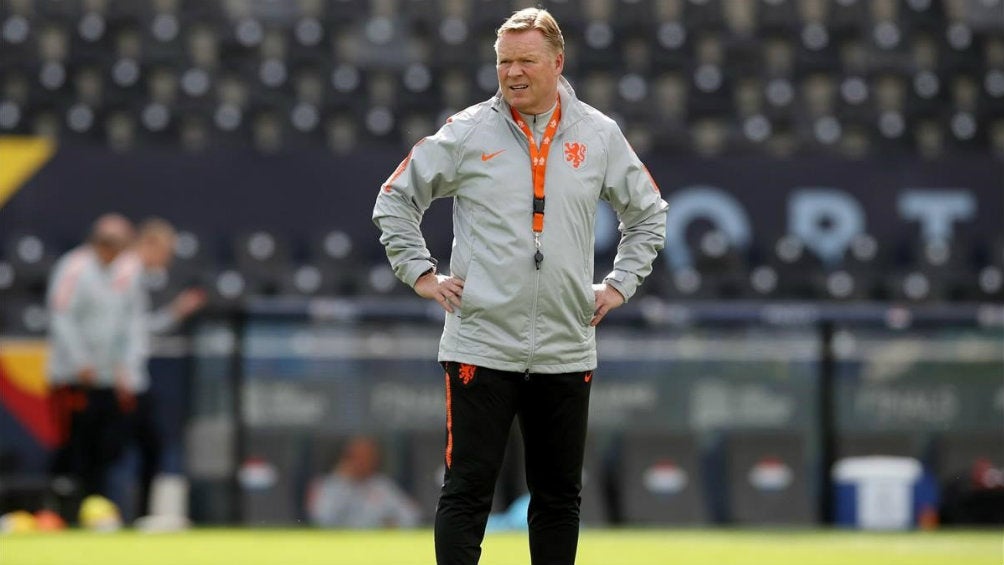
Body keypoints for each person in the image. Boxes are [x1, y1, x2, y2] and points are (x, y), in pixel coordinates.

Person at [372, 8, 668, 565]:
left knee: (558, 497)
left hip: (565, 345)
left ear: (558, 62)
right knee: (467, 492)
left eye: (526, 60)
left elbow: (649, 213)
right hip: (480, 343)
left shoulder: (599, 135)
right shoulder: (467, 131)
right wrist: (421, 273)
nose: (512, 73)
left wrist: (620, 284)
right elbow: (394, 198)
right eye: (504, 61)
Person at [46, 213, 144, 519]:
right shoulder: (73, 267)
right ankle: (62, 512)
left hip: (110, 379)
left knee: (106, 448)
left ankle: (97, 510)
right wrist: (80, 362)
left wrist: (128, 369)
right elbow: (61, 316)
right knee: (72, 445)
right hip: (73, 377)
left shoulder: (129, 269)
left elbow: (133, 323)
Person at [116, 218, 206, 523]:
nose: (167, 259)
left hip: (132, 372)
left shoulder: (136, 274)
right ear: (149, 244)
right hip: (120, 373)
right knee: (121, 447)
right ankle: (119, 512)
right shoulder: (126, 275)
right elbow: (138, 330)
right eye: (165, 251)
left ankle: (138, 513)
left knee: (149, 444)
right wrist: (177, 311)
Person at [306, 436, 421, 528]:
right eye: (360, 457)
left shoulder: (382, 485)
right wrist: (345, 483)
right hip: (338, 543)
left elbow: (412, 516)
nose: (365, 462)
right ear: (347, 458)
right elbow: (322, 519)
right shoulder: (326, 485)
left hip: (375, 544)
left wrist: (391, 524)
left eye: (369, 457)